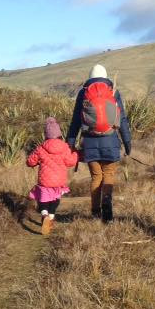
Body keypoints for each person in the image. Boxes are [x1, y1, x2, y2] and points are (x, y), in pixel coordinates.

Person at [66, 64, 132, 222]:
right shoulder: (113, 92)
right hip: (111, 142)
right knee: (108, 175)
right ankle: (107, 206)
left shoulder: (84, 92)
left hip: (89, 143)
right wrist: (128, 144)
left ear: (90, 77)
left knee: (96, 177)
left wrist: (70, 142)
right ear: (106, 76)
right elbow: (121, 120)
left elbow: (76, 119)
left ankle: (96, 211)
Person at [26, 117, 78, 235]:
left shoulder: (41, 148)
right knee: (55, 200)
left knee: (43, 200)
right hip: (59, 181)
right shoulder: (65, 147)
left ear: (46, 135)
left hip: (44, 181)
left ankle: (44, 215)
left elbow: (30, 162)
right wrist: (75, 153)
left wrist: (35, 161)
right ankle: (51, 217)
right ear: (59, 134)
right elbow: (70, 162)